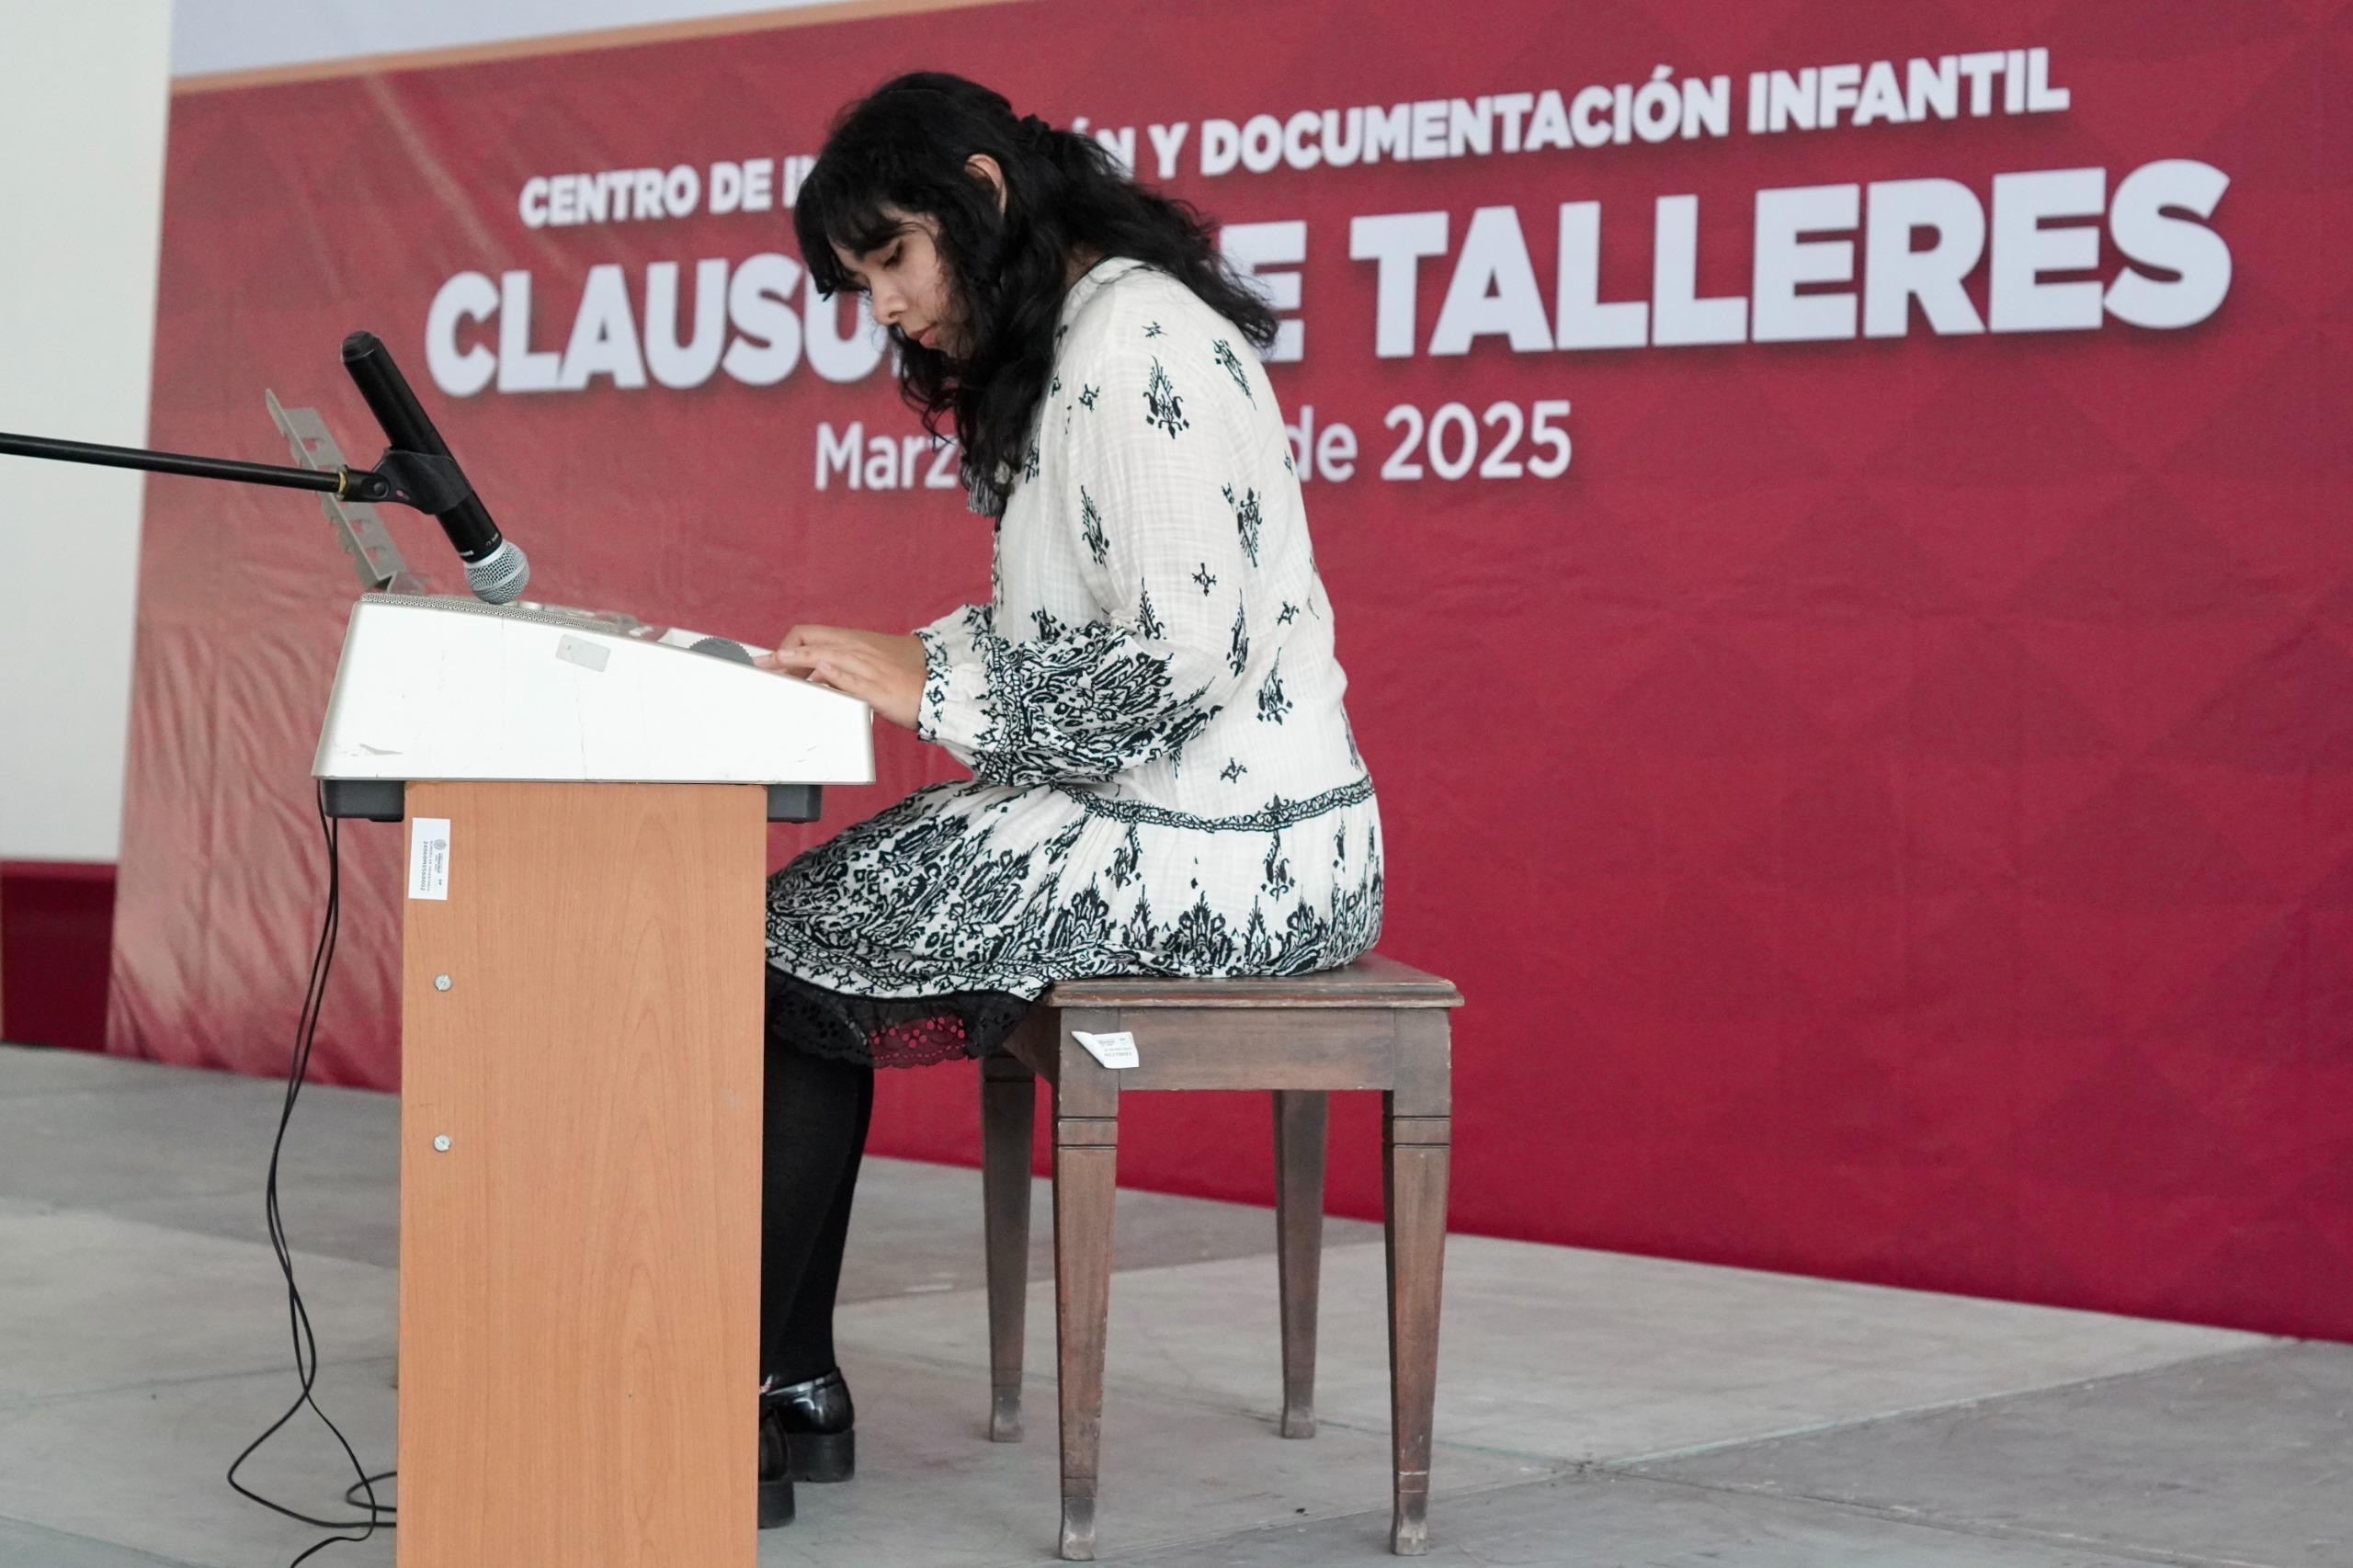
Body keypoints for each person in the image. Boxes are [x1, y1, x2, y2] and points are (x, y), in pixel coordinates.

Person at [746, 71, 1383, 1528]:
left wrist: (930, 686)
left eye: (893, 258)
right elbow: (1071, 628)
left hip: (1242, 848)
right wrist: (905, 656)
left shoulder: (1140, 340)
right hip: (1162, 812)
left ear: (980, 193)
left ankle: (764, 1385)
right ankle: (787, 1380)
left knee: (790, 944)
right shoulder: (1079, 334)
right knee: (794, 934)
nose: (886, 308)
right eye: (860, 282)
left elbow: (1180, 659)